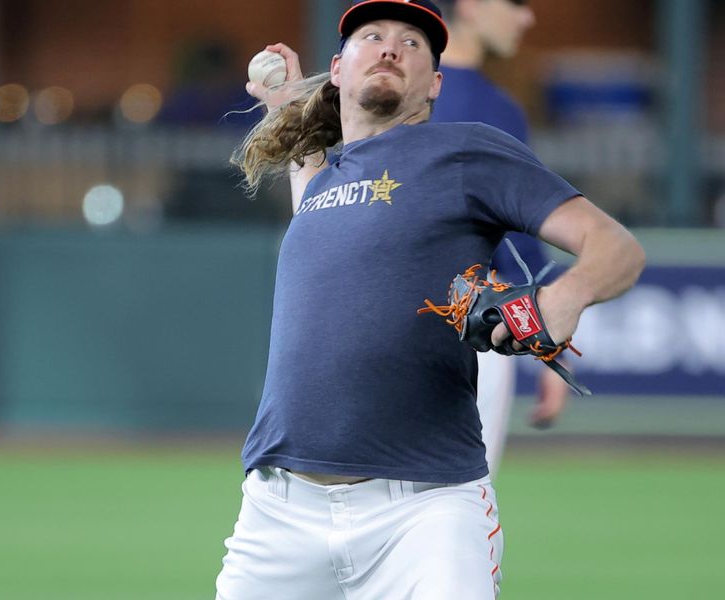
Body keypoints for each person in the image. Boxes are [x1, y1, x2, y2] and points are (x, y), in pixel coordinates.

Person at [215, 2, 645, 599]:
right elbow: (314, 188)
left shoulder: (467, 151)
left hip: (423, 513)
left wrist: (562, 298)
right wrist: (285, 106)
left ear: (436, 84)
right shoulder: (324, 183)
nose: (391, 47)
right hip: (278, 510)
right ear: (338, 69)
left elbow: (617, 248)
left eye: (413, 44)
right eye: (373, 36)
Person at [431, 0, 569, 476]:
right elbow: (517, 246)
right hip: (470, 325)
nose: (527, 17)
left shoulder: (385, 98)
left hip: (379, 326)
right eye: (514, 3)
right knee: (464, 507)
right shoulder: (495, 109)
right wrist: (547, 341)